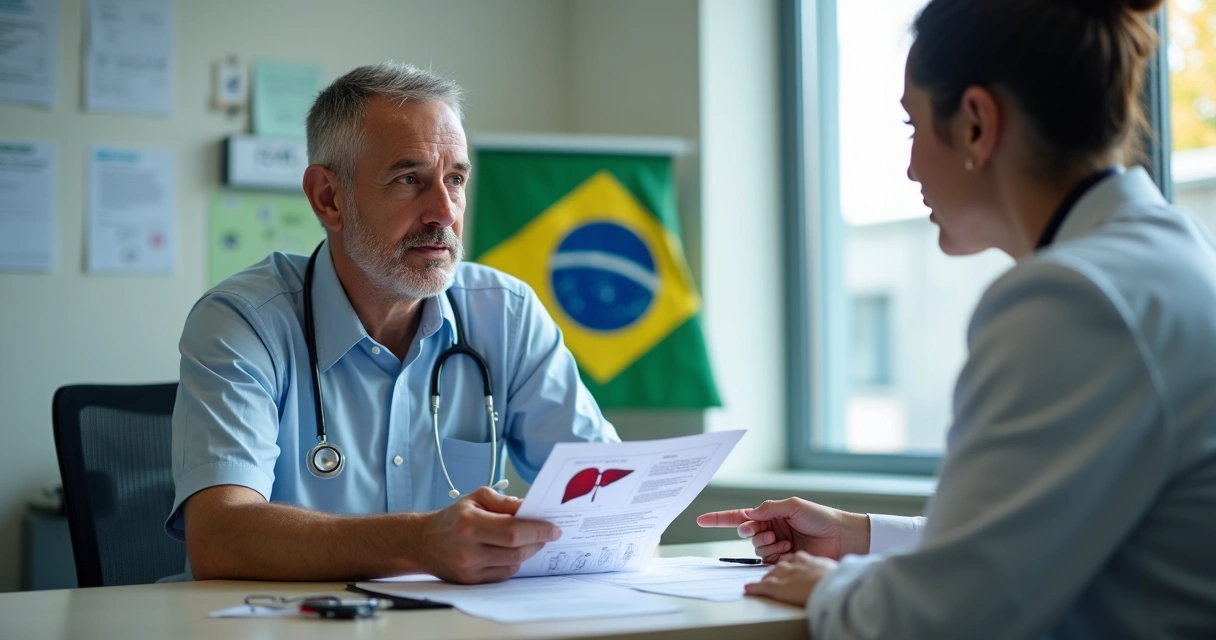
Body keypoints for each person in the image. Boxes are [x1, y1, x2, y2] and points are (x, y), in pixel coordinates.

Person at [700, 0, 1216, 637]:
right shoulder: (1172, 256)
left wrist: (830, 588)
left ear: (975, 124)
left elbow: (945, 618)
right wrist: (861, 536)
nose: (912, 167)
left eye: (912, 128)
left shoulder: (1074, 298)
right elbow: (1032, 531)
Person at [165, 62, 619, 584]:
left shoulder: (506, 313)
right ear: (328, 199)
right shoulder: (245, 322)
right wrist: (419, 542)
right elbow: (220, 537)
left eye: (455, 179)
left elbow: (604, 493)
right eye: (409, 179)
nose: (444, 212)